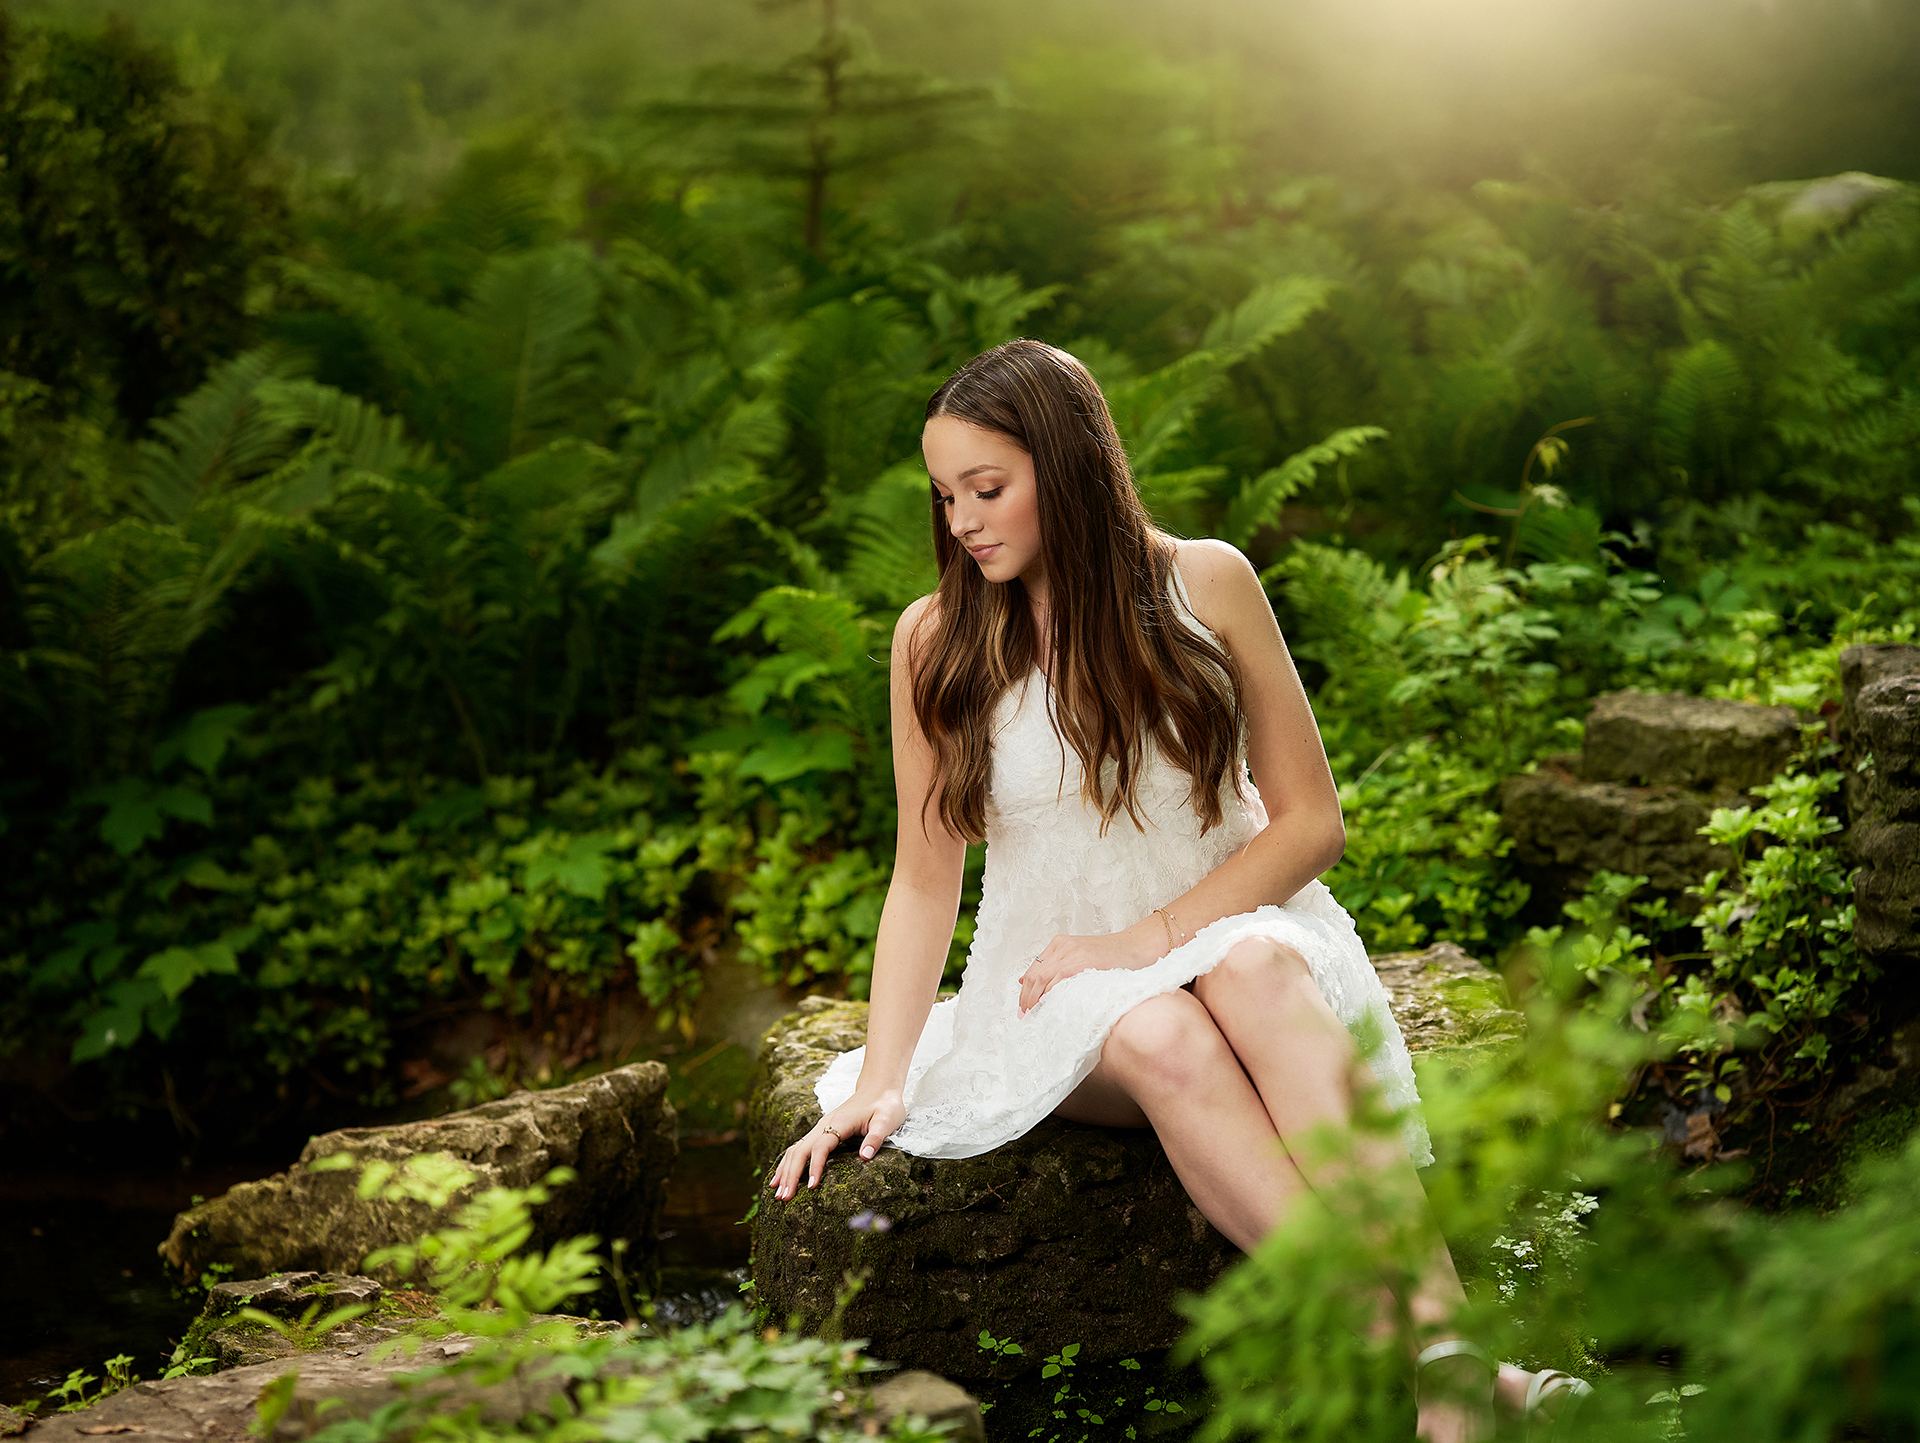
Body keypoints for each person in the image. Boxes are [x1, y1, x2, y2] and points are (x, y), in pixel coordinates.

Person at [765, 339, 1588, 1442]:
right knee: (1160, 1030)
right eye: (945, 494)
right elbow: (925, 880)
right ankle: (1447, 1367)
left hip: (1245, 929)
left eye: (988, 488)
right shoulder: (937, 640)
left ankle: (1444, 1371)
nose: (961, 520)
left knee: (1247, 971)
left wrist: (1146, 934)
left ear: (1065, 464)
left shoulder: (1205, 582)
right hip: (1062, 988)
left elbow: (1311, 820)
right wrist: (882, 1073)